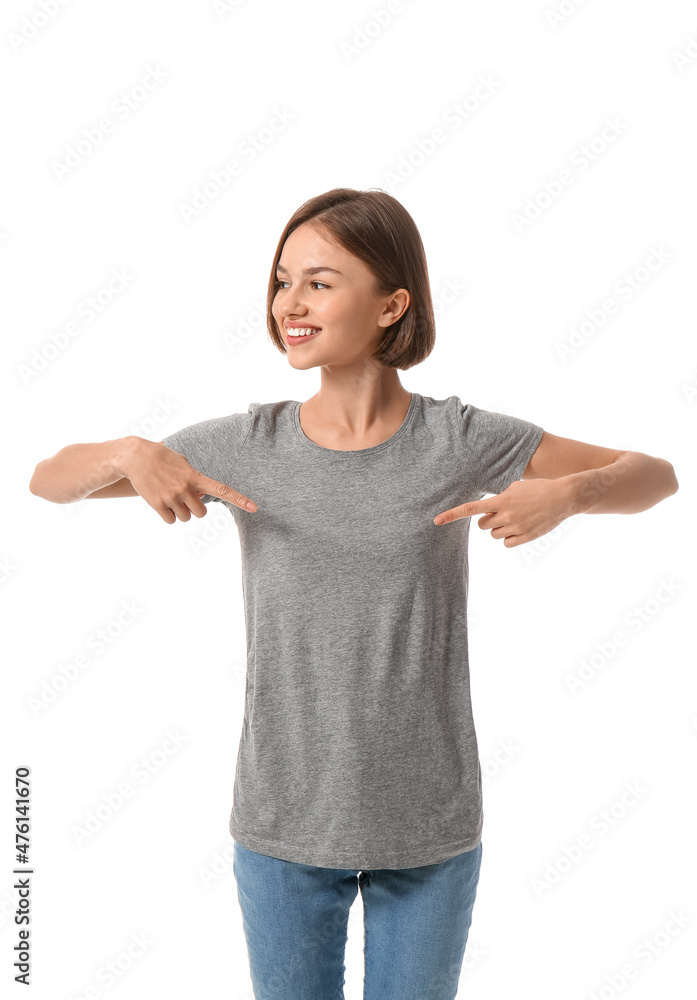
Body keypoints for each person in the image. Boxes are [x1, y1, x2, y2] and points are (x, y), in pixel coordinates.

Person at [29, 187, 679, 1000]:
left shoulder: (460, 438)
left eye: (318, 282)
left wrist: (568, 494)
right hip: (283, 823)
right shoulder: (245, 445)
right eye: (280, 280)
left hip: (429, 823)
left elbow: (654, 475)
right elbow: (47, 481)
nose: (288, 304)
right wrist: (129, 452)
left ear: (390, 305)